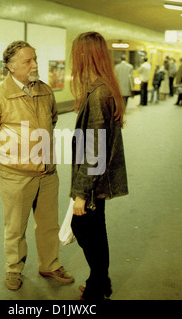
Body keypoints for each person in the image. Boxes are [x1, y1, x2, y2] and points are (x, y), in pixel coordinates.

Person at [0, 40, 74, 291]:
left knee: (49, 224)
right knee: (16, 227)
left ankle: (50, 263)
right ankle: (14, 269)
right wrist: (1, 163)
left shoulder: (45, 91)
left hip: (48, 174)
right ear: (11, 66)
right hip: (15, 177)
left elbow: (52, 119)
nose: (35, 65)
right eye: (28, 61)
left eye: (35, 59)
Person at [69, 32, 128, 301]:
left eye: (76, 54)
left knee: (83, 228)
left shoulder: (97, 94)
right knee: (95, 228)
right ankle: (100, 283)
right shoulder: (104, 87)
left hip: (93, 178)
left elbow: (94, 149)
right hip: (99, 176)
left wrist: (81, 193)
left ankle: (97, 288)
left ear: (85, 56)